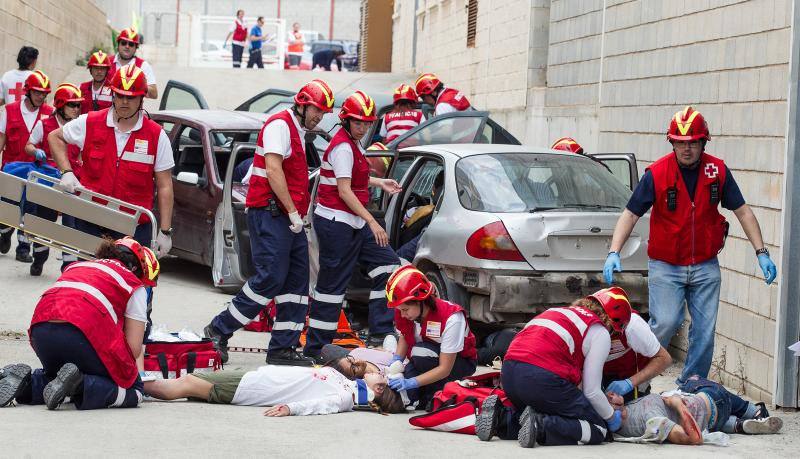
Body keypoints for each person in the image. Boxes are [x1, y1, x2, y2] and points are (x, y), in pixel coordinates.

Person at [603, 106, 778, 384]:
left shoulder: (717, 170)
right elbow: (631, 213)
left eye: (693, 142)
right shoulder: (658, 173)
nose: (686, 149)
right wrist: (614, 251)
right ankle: (636, 379)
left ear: (703, 142)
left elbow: (743, 211)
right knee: (665, 324)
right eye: (680, 143)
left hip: (705, 265)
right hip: (666, 265)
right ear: (672, 143)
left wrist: (762, 253)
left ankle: (692, 384)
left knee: (705, 331)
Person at [203, 79, 334, 366]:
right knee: (270, 278)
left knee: (297, 285)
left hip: (288, 219)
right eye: (316, 110)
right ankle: (218, 329)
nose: (319, 117)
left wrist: (296, 216)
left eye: (323, 113)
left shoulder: (297, 131)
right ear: (301, 103)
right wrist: (291, 212)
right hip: (272, 213)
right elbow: (274, 171)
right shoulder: (280, 126)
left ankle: (282, 349)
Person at [0, 237, 160, 410]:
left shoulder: (78, 266)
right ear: (136, 268)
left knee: (58, 376)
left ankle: (27, 384)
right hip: (81, 334)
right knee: (134, 390)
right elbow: (133, 349)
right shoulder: (133, 282)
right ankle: (80, 385)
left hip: (41, 331)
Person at [304, 91, 403, 358]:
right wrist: (373, 221)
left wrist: (379, 182)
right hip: (338, 224)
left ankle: (380, 332)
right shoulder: (344, 147)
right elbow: (345, 190)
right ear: (346, 121)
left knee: (389, 266)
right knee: (331, 288)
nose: (363, 127)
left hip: (353, 222)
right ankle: (317, 349)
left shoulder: (352, 144)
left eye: (367, 123)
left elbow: (353, 179)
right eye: (358, 122)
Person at [478, 288, 633, 447]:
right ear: (613, 323)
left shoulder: (556, 312)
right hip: (540, 377)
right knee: (598, 429)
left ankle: (501, 419)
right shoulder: (599, 331)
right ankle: (540, 425)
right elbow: (591, 392)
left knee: (547, 411)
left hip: (509, 375)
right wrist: (610, 416)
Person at [49, 65, 174, 257]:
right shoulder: (90, 122)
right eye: (119, 95)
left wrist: (165, 231)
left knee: (132, 284)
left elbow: (165, 185)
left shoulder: (156, 136)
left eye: (131, 97)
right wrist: (67, 171)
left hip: (134, 228)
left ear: (142, 98)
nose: (124, 101)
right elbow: (55, 137)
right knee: (87, 280)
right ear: (112, 94)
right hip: (90, 219)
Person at [385, 266, 478, 409]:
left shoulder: (452, 318)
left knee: (420, 353)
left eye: (405, 310)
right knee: (404, 393)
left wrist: (412, 382)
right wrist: (396, 361)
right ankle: (426, 393)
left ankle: (434, 393)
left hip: (457, 363)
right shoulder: (405, 311)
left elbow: (445, 368)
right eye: (399, 310)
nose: (402, 315)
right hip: (423, 358)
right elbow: (405, 334)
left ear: (420, 300)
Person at [142, 365, 405, 415]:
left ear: (379, 389)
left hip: (252, 387)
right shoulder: (349, 384)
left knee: (185, 383)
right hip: (257, 379)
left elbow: (320, 406)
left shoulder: (346, 397)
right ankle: (134, 382)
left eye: (380, 376)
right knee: (186, 382)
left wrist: (290, 408)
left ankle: (130, 383)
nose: (377, 372)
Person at [23, 83, 84, 275]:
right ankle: (39, 258)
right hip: (48, 179)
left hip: (71, 181)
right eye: (72, 105)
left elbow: (85, 153)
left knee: (71, 223)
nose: (76, 109)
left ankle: (68, 266)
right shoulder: (44, 124)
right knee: (45, 220)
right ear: (60, 105)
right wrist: (36, 152)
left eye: (78, 105)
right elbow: (29, 145)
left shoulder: (80, 126)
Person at [609, 376, 782, 443]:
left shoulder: (628, 414)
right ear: (612, 411)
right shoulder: (652, 420)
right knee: (692, 379)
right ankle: (753, 411)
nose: (612, 394)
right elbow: (695, 439)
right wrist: (677, 403)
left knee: (691, 395)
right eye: (608, 397)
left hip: (711, 421)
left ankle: (738, 425)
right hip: (715, 401)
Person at [0, 70, 54, 262]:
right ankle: (5, 234)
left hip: (36, 173)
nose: (41, 96)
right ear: (28, 91)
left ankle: (23, 247)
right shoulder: (9, 110)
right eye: (37, 92)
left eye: (44, 93)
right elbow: (1, 140)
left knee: (29, 210)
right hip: (12, 170)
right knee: (10, 207)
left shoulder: (50, 114)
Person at [601, 287, 672, 403]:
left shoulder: (632, 326)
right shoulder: (583, 323)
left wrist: (630, 382)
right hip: (600, 371)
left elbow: (665, 359)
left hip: (630, 377)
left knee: (631, 412)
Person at [108, 28, 158, 99]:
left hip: (133, 109)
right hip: (107, 109)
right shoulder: (107, 62)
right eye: (124, 43)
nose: (127, 46)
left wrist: (139, 83)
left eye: (131, 44)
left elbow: (154, 94)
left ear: (136, 47)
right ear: (118, 44)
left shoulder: (143, 65)